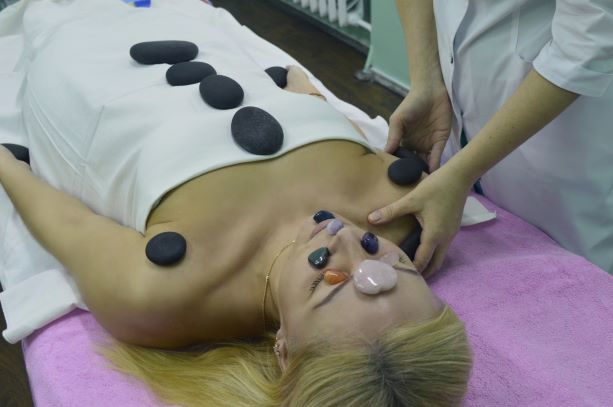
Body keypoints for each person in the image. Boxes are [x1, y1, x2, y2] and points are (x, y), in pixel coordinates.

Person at [0, 1, 472, 406]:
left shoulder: (161, 296)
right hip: (201, 42)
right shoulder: (403, 210)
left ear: (283, 349)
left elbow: (66, 222)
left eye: (327, 278)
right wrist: (305, 94)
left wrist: (4, 163)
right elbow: (323, 115)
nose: (345, 236)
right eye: (390, 262)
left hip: (92, 67)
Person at [370, 0, 613, 276]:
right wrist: (426, 78)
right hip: (453, 104)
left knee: (569, 278)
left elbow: (588, 39)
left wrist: (460, 175)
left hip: (558, 133)